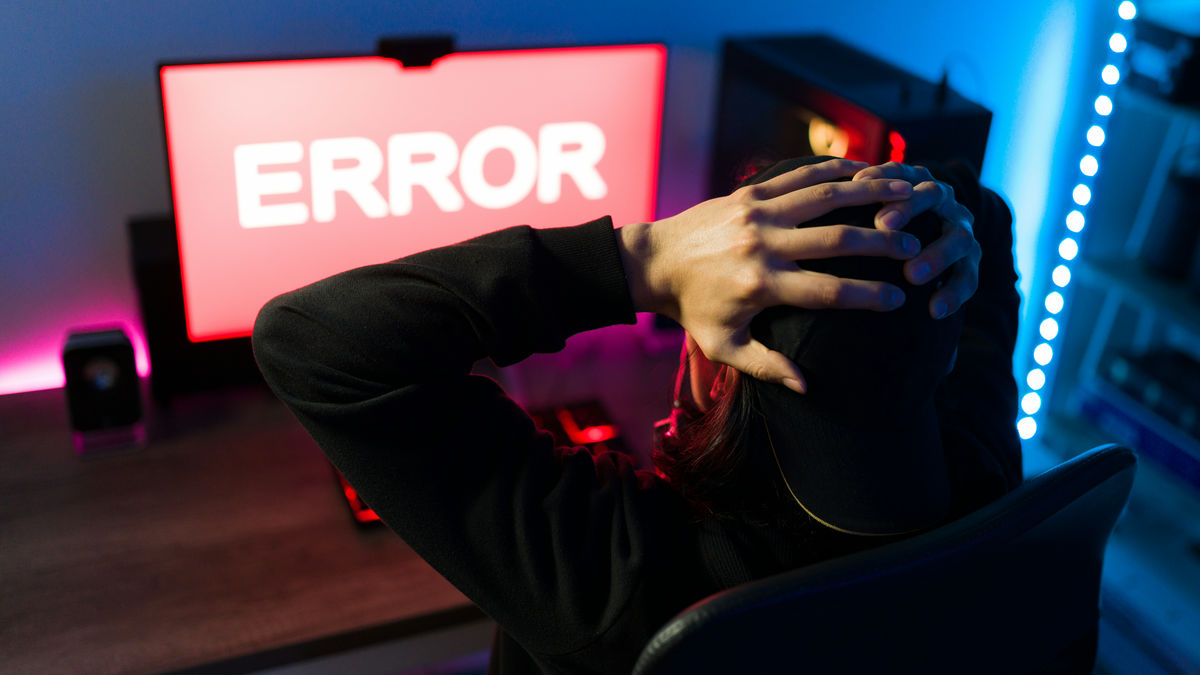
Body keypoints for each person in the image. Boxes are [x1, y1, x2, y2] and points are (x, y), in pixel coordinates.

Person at [252, 156, 1021, 674]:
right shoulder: (984, 476)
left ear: (714, 368)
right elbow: (983, 208)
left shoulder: (627, 581)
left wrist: (645, 260)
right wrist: (917, 219)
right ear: (944, 351)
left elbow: (309, 341)